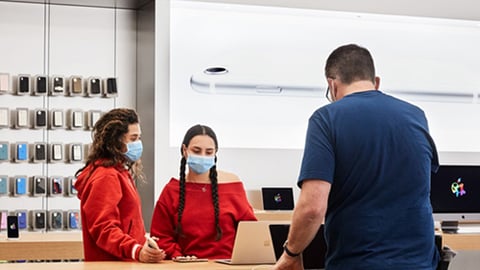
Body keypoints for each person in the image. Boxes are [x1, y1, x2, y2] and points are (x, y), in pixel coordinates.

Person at [274, 44, 439, 270]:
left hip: (359, 262)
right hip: (420, 262)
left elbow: (312, 208)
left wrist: (291, 253)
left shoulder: (326, 118)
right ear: (376, 82)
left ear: (332, 85)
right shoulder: (416, 116)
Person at [150, 124, 257, 259]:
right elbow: (161, 236)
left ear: (215, 153)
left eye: (208, 152)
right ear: (185, 150)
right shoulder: (171, 191)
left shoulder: (232, 186)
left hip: (227, 266)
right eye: (196, 150)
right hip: (186, 267)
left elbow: (251, 232)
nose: (202, 156)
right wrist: (179, 257)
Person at [74, 108, 166, 262]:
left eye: (139, 137)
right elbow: (104, 228)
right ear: (116, 141)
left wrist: (142, 243)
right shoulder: (106, 177)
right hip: (114, 264)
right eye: (133, 138)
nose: (138, 143)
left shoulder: (118, 172)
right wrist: (136, 250)